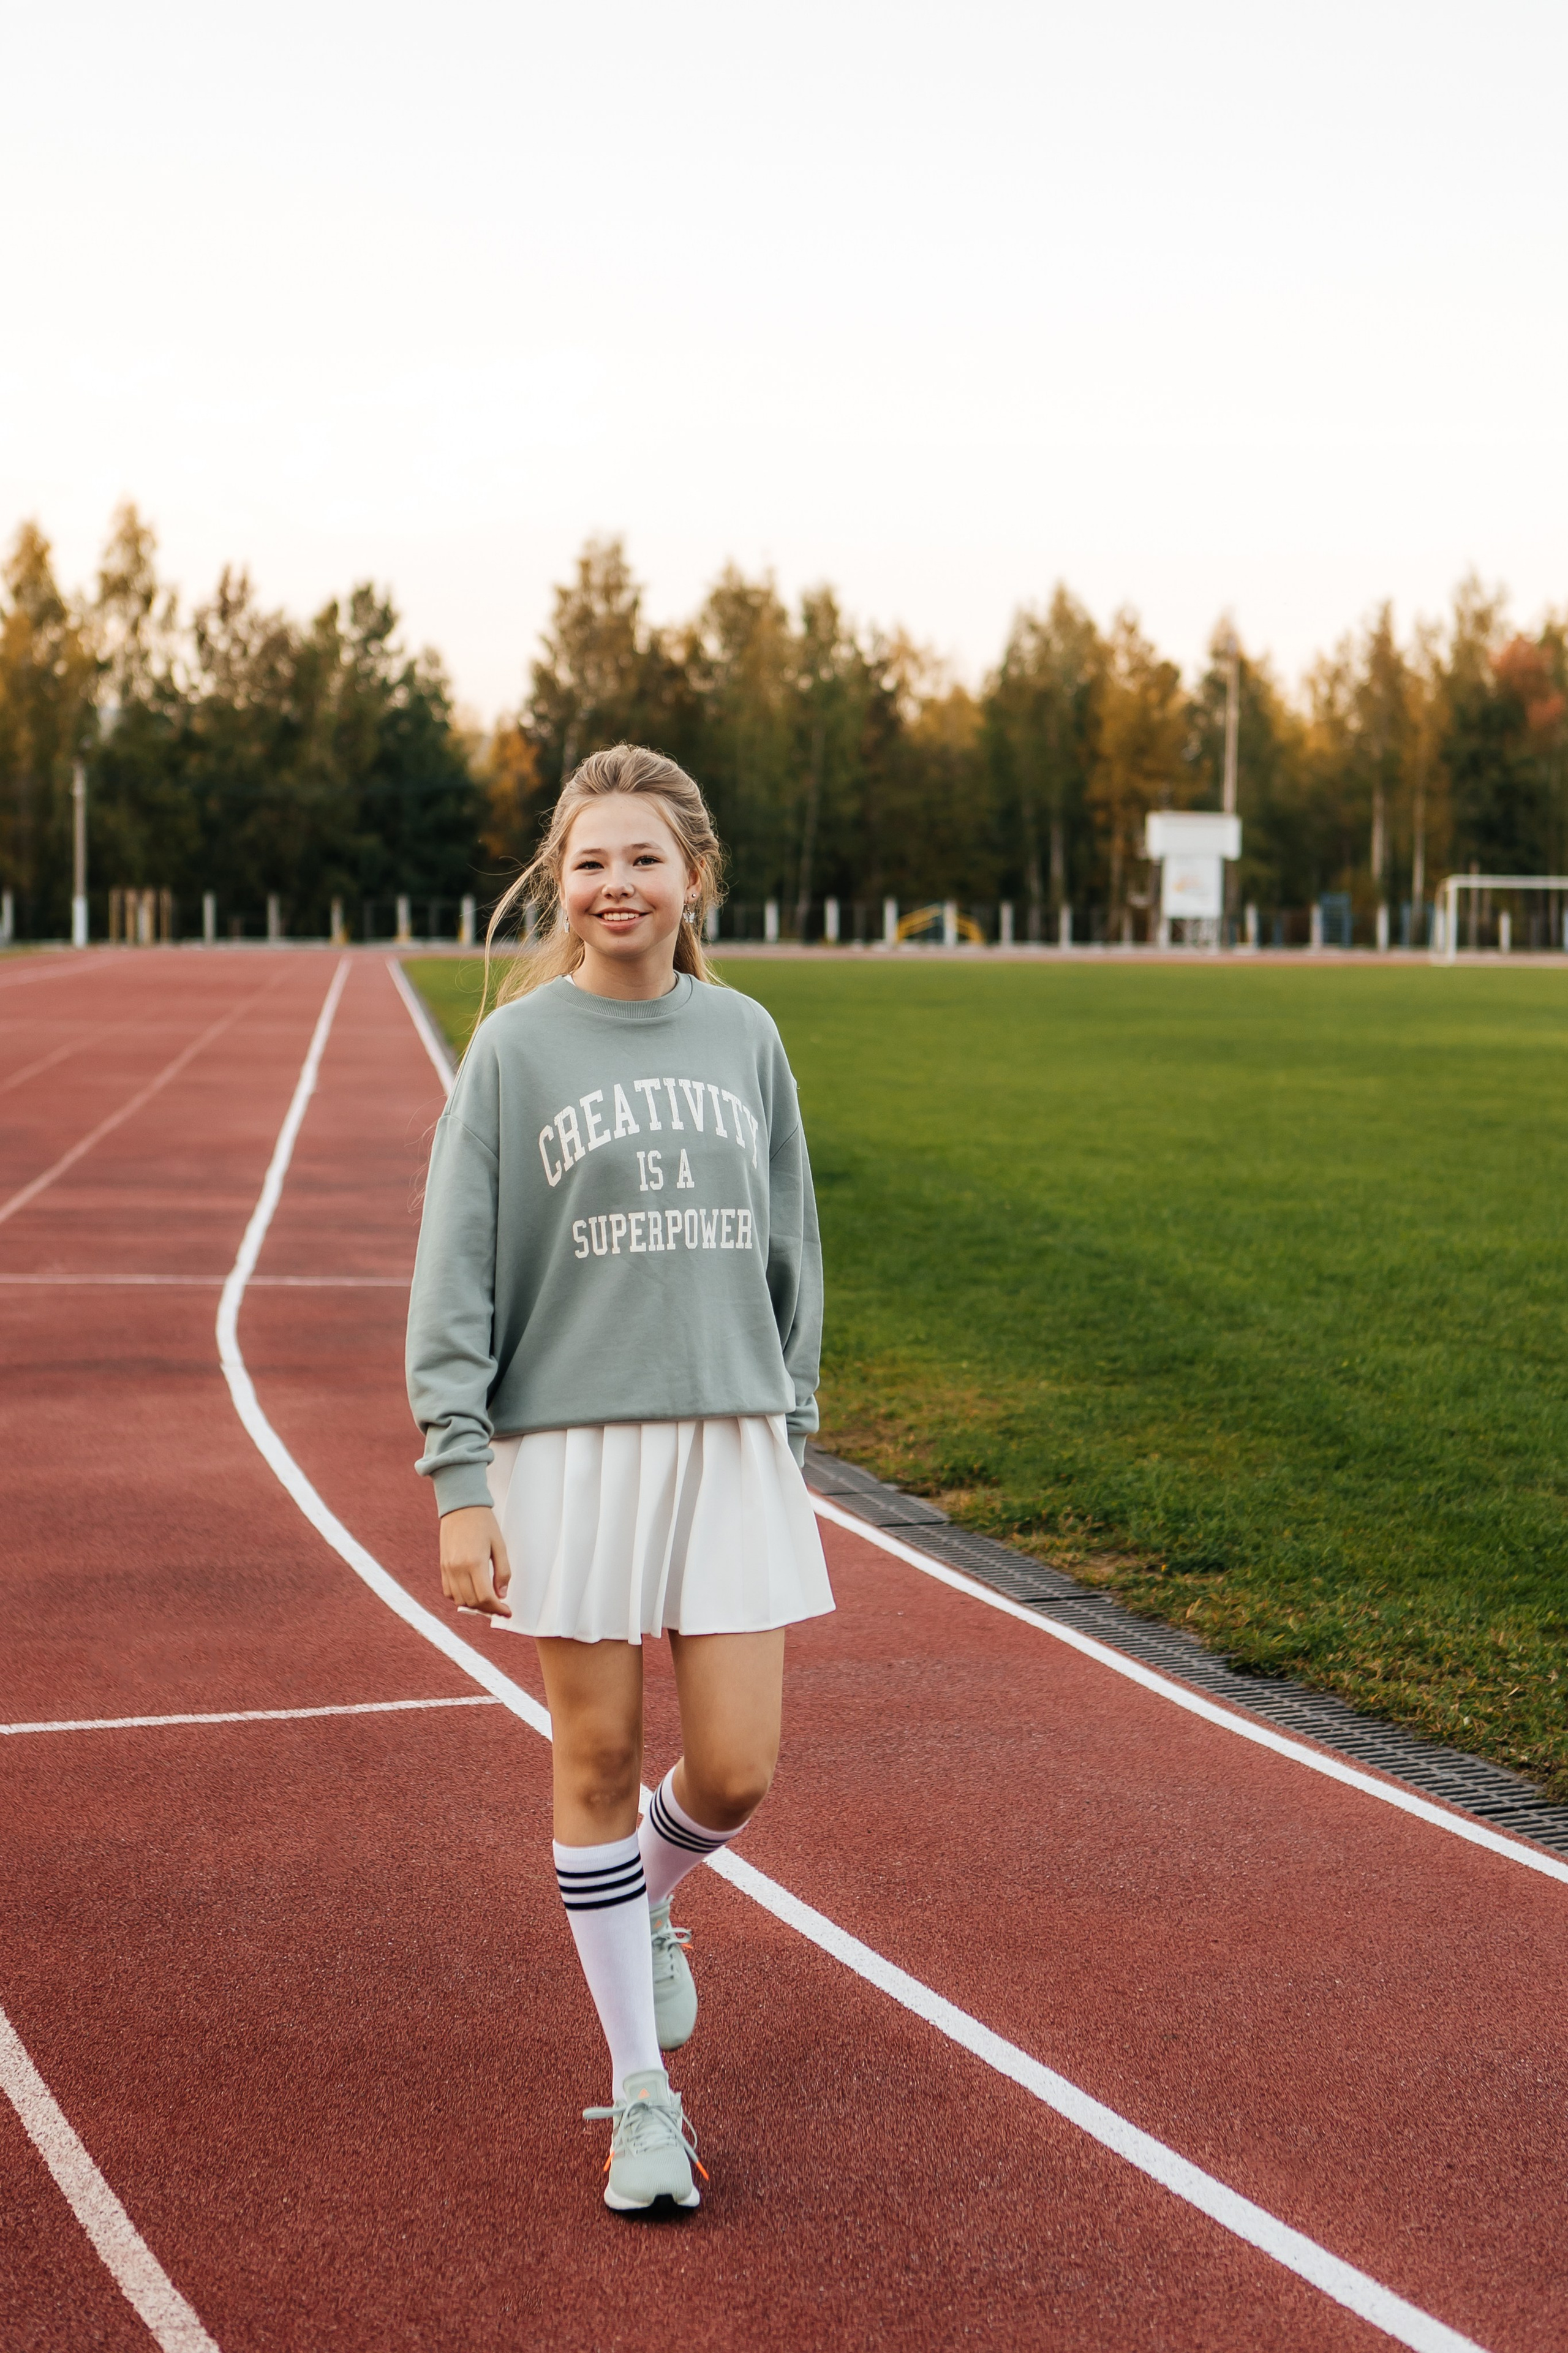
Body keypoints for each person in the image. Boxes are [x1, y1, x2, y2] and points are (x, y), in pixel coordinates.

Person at [405, 744, 832, 2214]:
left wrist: (792, 1417)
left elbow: (793, 1244)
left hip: (725, 1435)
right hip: (569, 1447)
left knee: (735, 1766)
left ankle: (640, 1900)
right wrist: (460, 1477)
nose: (615, 884)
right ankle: (639, 2097)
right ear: (560, 879)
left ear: (693, 877)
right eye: (590, 859)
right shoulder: (517, 1052)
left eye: (643, 858)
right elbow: (451, 1275)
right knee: (588, 1761)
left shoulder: (746, 1037)